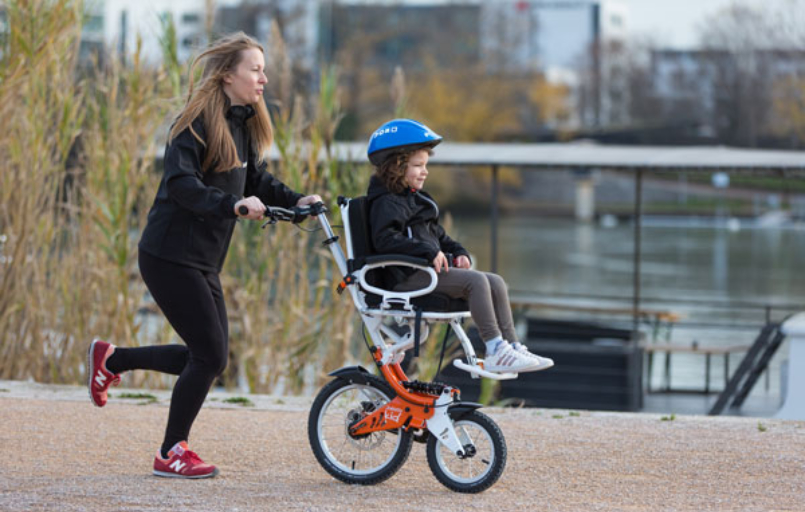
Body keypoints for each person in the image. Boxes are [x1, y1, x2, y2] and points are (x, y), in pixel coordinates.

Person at [86, 32, 321, 479]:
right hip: (169, 253)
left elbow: (257, 183)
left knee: (209, 356)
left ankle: (112, 360)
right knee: (209, 355)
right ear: (228, 74)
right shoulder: (192, 123)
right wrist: (229, 205)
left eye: (263, 70)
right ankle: (171, 451)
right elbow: (182, 184)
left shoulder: (244, 123)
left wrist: (298, 204)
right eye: (255, 70)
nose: (264, 79)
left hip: (204, 257)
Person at [366, 119, 553, 375]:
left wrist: (458, 252)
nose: (425, 172)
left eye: (425, 165)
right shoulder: (386, 203)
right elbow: (385, 240)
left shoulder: (415, 201)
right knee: (475, 282)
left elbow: (439, 236)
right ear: (397, 167)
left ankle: (512, 345)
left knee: (495, 281)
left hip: (423, 273)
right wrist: (427, 252)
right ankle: (494, 347)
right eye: (418, 166)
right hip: (404, 278)